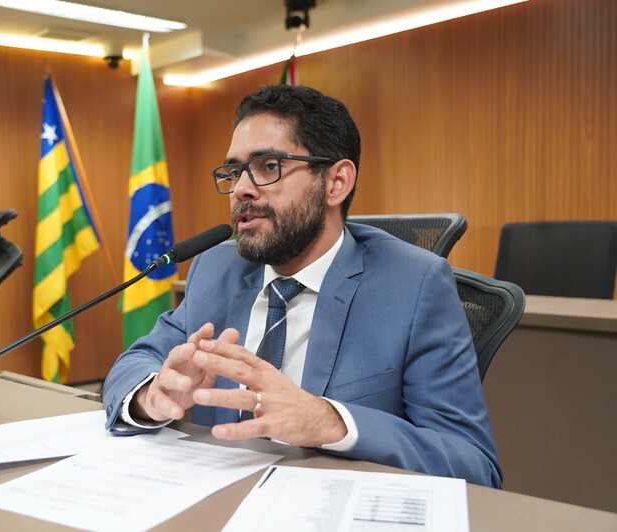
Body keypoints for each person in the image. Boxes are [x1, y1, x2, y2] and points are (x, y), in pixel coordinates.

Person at [103, 84, 502, 488]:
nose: (240, 189)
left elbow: (472, 463)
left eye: (268, 166)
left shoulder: (414, 285)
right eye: (233, 172)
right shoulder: (216, 268)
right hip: (214, 498)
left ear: (336, 182)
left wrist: (330, 421)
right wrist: (153, 395)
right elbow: (136, 362)